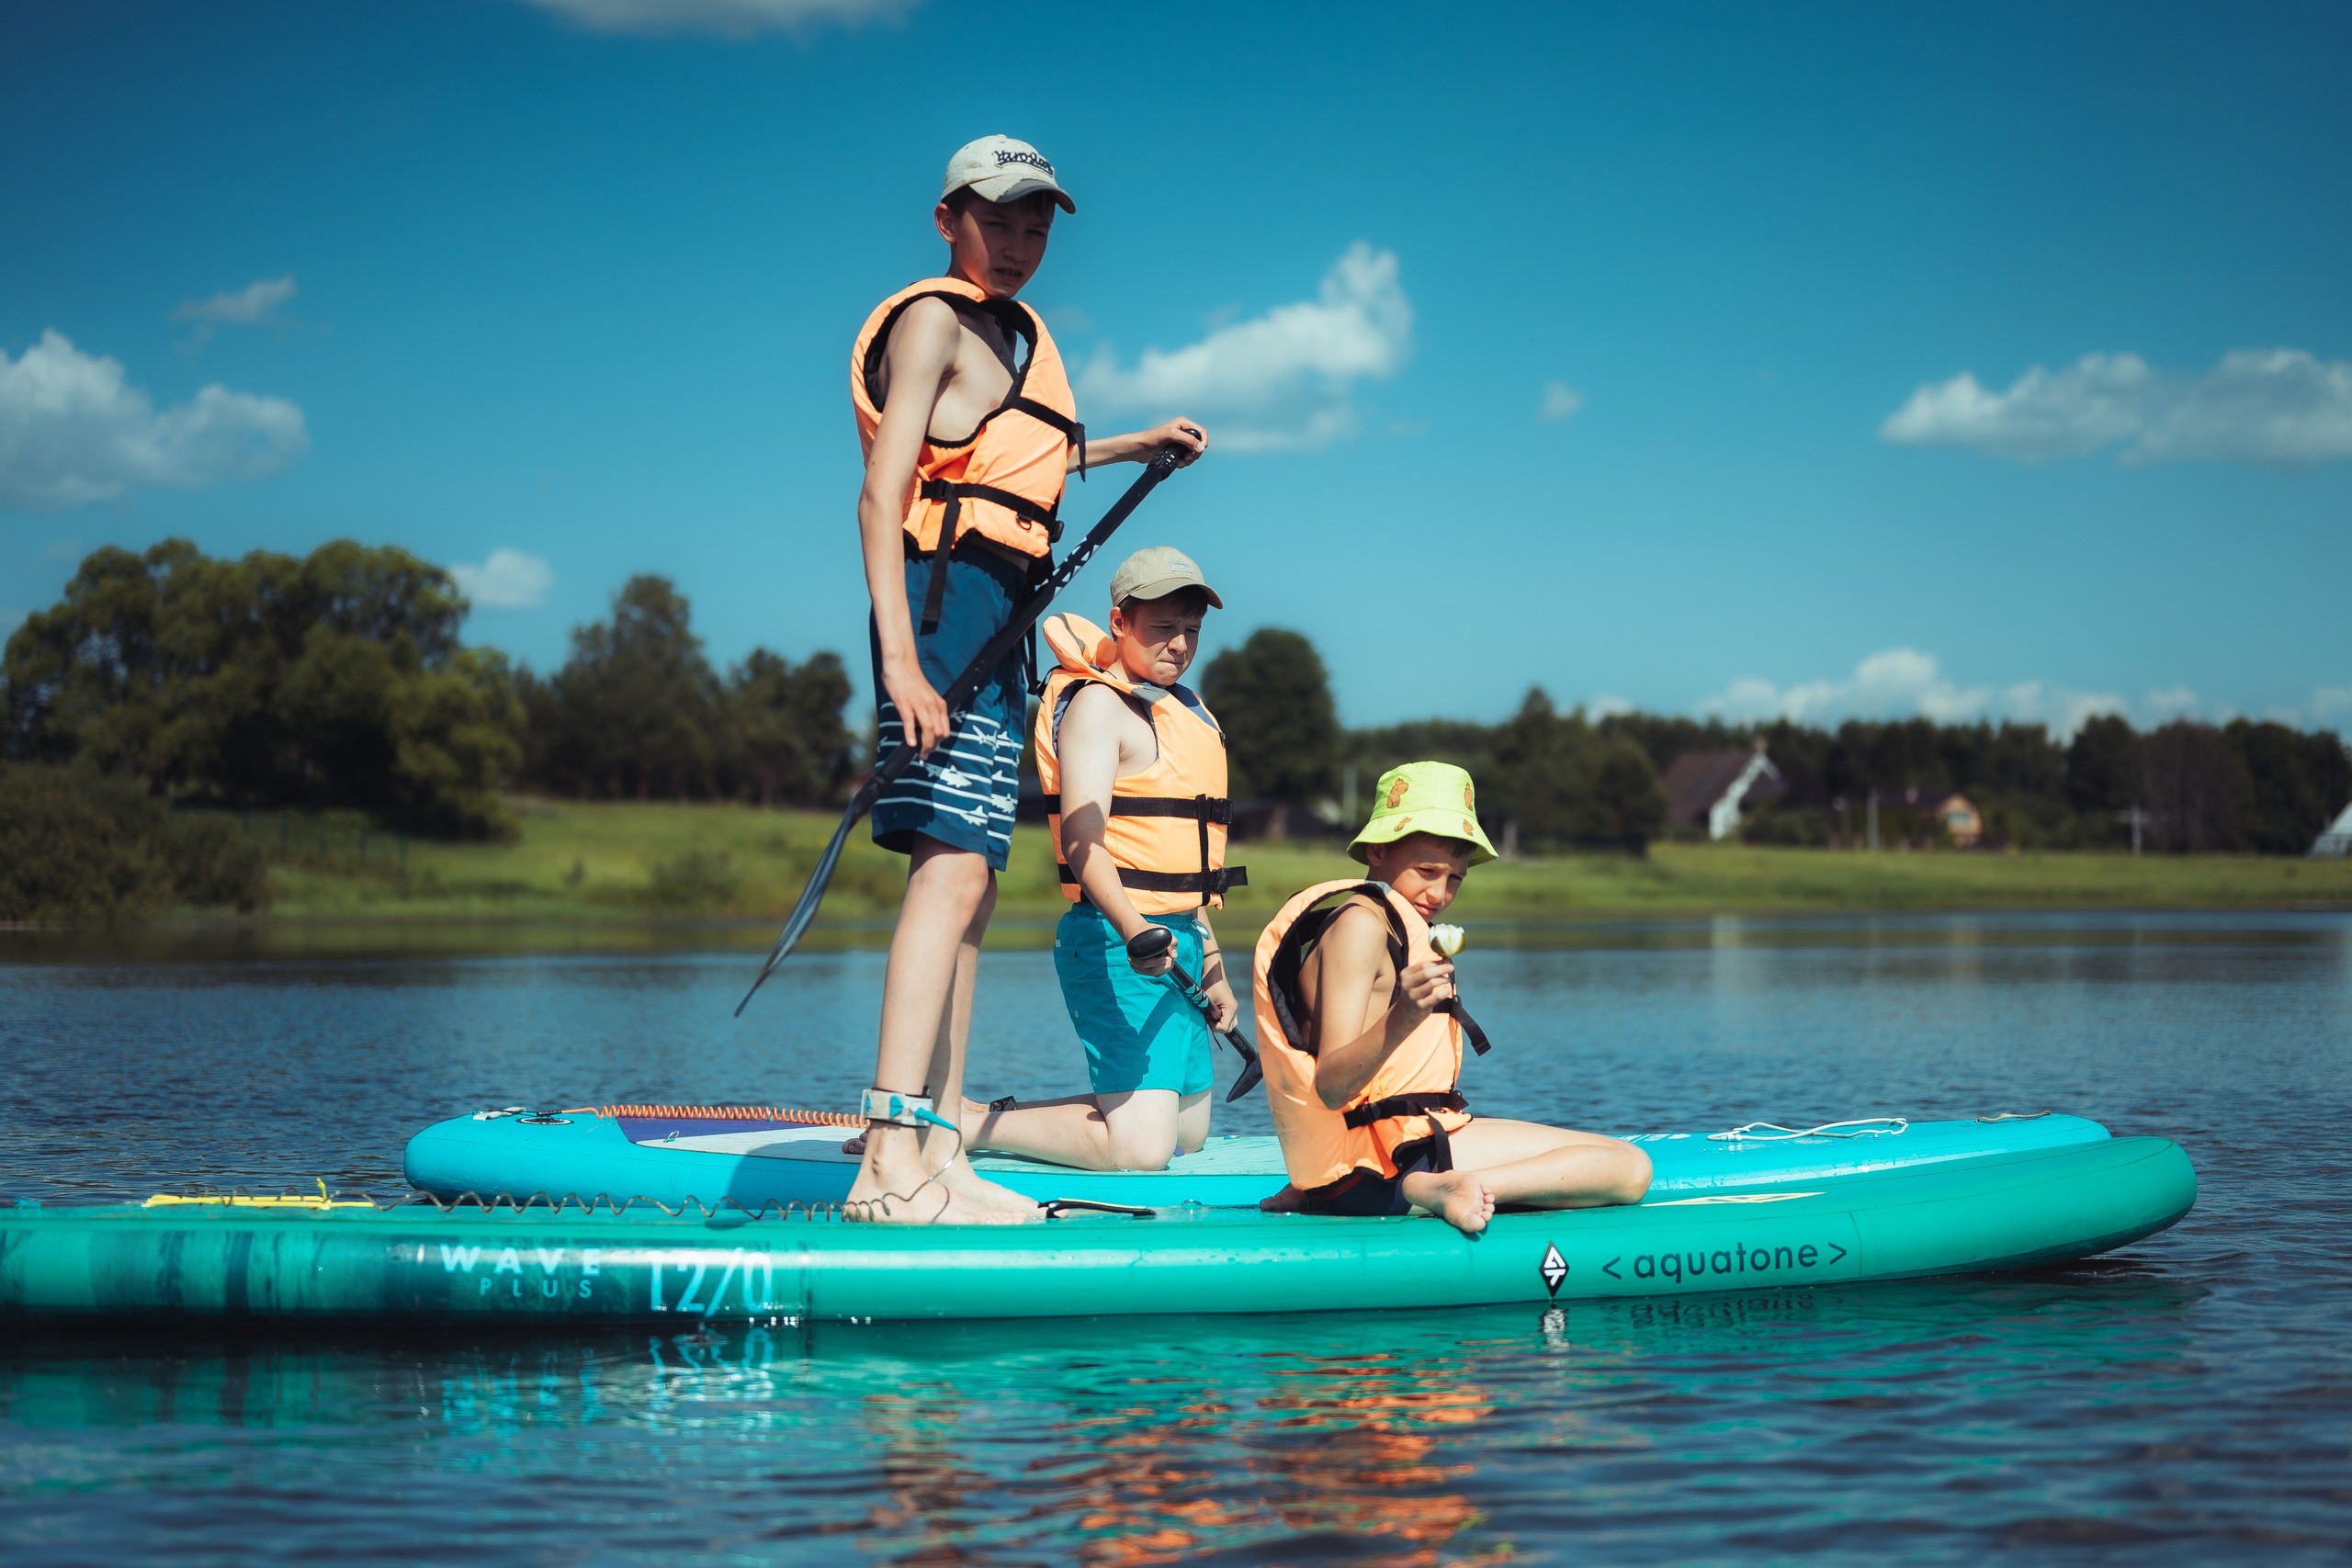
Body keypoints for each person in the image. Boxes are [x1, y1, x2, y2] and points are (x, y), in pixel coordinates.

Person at [845, 136, 1207, 1224]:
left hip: (1002, 615)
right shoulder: (932, 322)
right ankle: (886, 1160)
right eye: (996, 221)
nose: (1016, 245)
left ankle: (940, 1152)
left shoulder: (1011, 339)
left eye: (1035, 227)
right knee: (948, 872)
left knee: (976, 882)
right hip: (944, 606)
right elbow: (881, 495)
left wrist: (1135, 444)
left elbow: (1024, 457)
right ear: (947, 219)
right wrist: (902, 662)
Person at [1253, 761, 1651, 1235]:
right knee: (1630, 1168)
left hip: (1369, 1163)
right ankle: (1453, 1186)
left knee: (1603, 1156)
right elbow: (1332, 1086)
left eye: (1455, 878)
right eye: (1427, 871)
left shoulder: (1385, 923)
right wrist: (1404, 1017)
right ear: (1377, 850)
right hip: (1383, 1169)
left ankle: (1421, 1184)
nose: (1439, 894)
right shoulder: (1360, 926)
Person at [962, 547, 1247, 1170]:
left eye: (1192, 629)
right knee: (1142, 1150)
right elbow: (1082, 840)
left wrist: (1214, 966)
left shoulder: (1184, 711)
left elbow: (1180, 872)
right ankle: (967, 1125)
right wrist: (1134, 928)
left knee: (1188, 1133)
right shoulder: (1097, 706)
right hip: (1116, 938)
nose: (1180, 644)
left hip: (1181, 940)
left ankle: (1000, 1116)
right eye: (1162, 627)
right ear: (1120, 621)